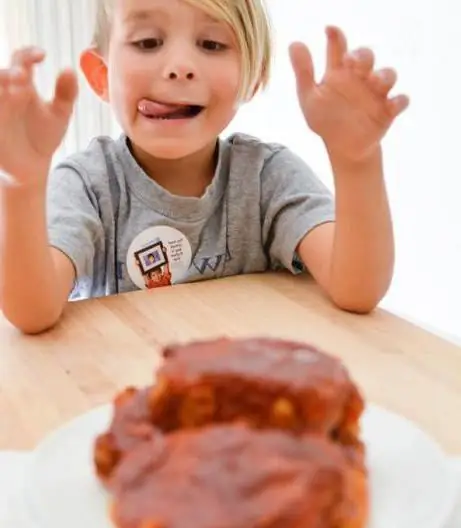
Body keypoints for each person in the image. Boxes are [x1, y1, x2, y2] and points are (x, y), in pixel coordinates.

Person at [0, 0, 409, 334]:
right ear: (102, 75)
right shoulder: (87, 184)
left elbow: (358, 290)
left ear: (253, 76)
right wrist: (22, 186)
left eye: (211, 44)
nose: (180, 65)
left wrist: (357, 161)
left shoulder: (268, 176)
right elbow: (31, 313)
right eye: (147, 42)